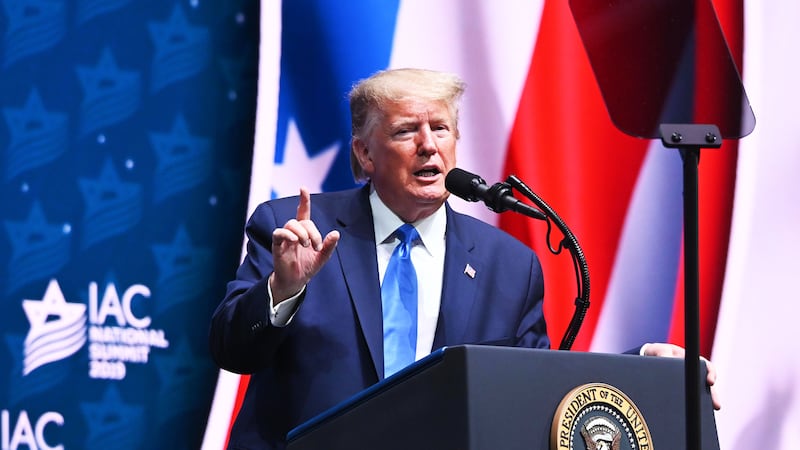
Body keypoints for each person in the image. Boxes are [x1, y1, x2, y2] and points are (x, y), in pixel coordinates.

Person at [209, 68, 718, 449]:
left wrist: (643, 370)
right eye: (406, 130)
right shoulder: (296, 230)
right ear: (364, 153)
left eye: (441, 129)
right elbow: (232, 349)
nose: (428, 146)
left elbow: (538, 392)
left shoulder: (508, 266)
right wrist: (283, 291)